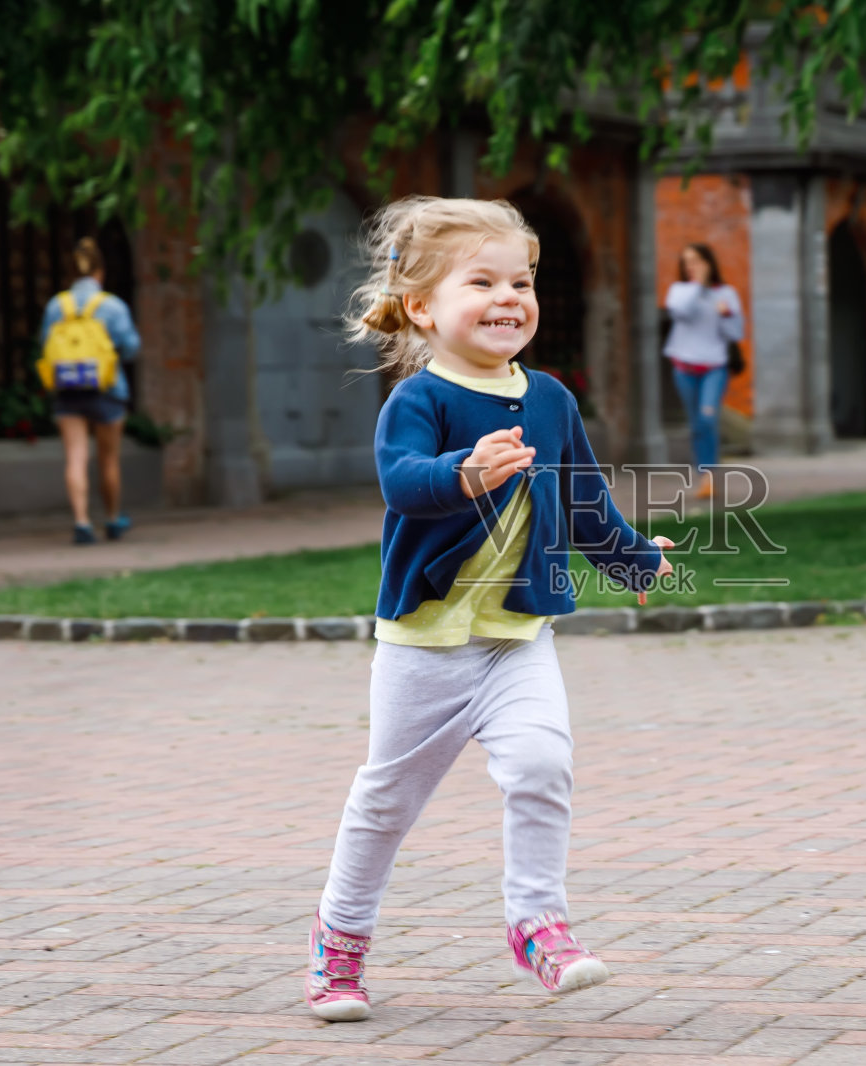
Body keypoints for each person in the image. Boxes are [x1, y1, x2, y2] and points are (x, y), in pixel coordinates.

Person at [306, 197, 674, 1022]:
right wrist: (463, 475)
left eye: (523, 279)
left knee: (543, 766)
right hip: (424, 647)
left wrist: (633, 559)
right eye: (484, 280)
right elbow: (401, 484)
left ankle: (537, 924)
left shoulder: (550, 398)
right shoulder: (419, 401)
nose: (511, 296)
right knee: (388, 801)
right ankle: (340, 946)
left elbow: (583, 500)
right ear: (423, 307)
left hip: (517, 640)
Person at [38, 237, 141, 545]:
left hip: (68, 389)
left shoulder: (57, 306)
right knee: (109, 459)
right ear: (101, 272)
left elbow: (44, 345)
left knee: (76, 457)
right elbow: (132, 347)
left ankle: (82, 523)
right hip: (107, 389)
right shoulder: (112, 306)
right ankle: (112, 519)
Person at [662, 243, 744, 500]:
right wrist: (698, 286)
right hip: (684, 367)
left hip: (714, 368)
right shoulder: (679, 291)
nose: (691, 266)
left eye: (697, 260)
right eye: (687, 261)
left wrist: (726, 313)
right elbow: (680, 312)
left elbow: (737, 333)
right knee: (697, 424)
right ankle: (704, 477)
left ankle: (708, 475)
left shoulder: (726, 293)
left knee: (708, 418)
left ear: (709, 262)